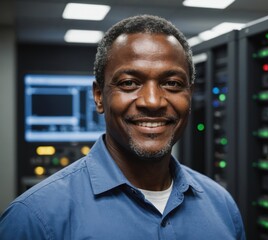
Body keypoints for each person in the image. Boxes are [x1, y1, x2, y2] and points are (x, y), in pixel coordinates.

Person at [0, 15, 246, 239]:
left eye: (172, 83)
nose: (153, 101)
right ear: (98, 97)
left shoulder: (221, 206)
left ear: (189, 96)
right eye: (129, 83)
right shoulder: (35, 219)